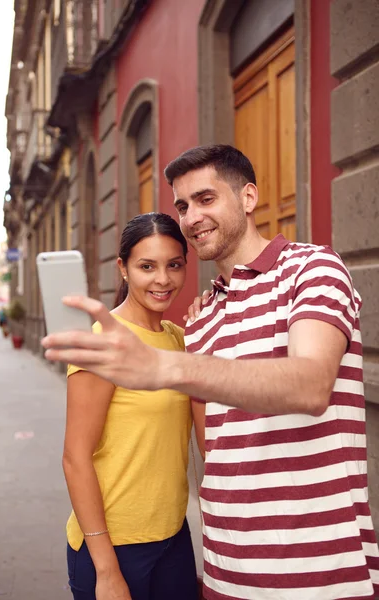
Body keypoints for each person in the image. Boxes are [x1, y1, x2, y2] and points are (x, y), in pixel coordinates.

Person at [42, 145, 379, 600]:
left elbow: (311, 385)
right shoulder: (202, 319)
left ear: (247, 197)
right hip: (226, 569)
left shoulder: (312, 269)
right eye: (182, 205)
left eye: (205, 198)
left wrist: (164, 364)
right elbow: (211, 449)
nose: (191, 216)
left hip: (316, 566)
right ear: (124, 267)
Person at [62, 213, 198, 600]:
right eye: (146, 266)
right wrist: (106, 570)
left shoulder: (180, 339)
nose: (163, 279)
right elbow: (75, 457)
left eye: (174, 265)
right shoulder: (103, 343)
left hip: (173, 536)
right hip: (112, 544)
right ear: (123, 268)